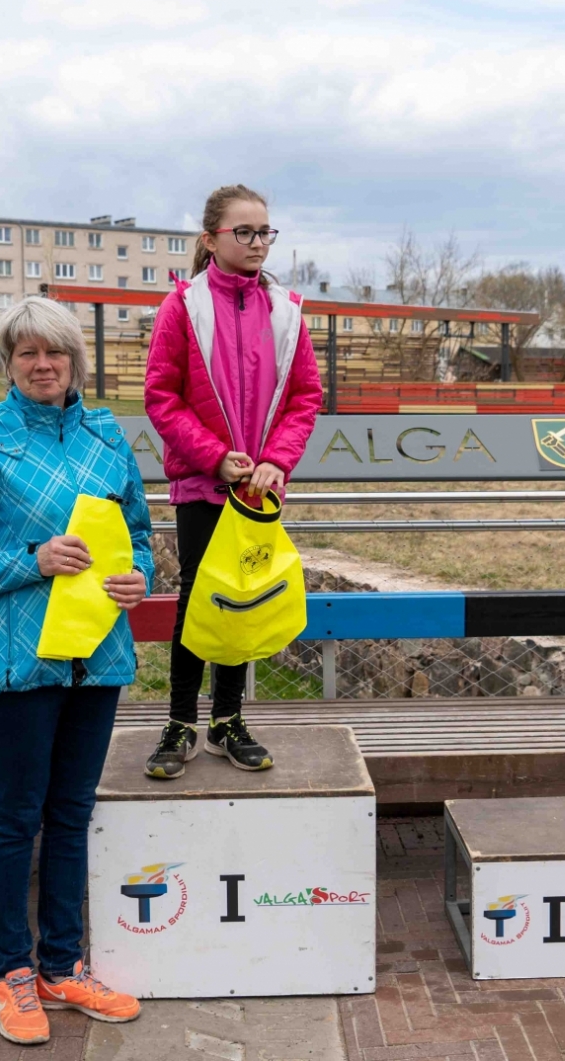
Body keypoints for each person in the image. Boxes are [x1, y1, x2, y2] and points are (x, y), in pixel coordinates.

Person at [0, 297, 152, 1046]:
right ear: (8, 363)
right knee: (20, 814)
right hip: (22, 660)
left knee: (73, 813)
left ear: (74, 359)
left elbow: (141, 536)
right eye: (27, 354)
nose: (43, 364)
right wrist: (32, 561)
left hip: (100, 655)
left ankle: (62, 963)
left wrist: (138, 577)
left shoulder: (107, 434)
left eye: (54, 352)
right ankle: (11, 970)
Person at [143, 183, 323, 779]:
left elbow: (305, 398)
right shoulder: (183, 308)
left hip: (258, 490)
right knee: (199, 598)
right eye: (242, 232)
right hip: (203, 484)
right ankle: (179, 722)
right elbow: (162, 397)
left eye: (264, 232)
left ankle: (226, 721)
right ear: (211, 239)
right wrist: (213, 456)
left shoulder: (287, 312)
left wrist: (277, 459)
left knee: (243, 601)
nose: (256, 244)